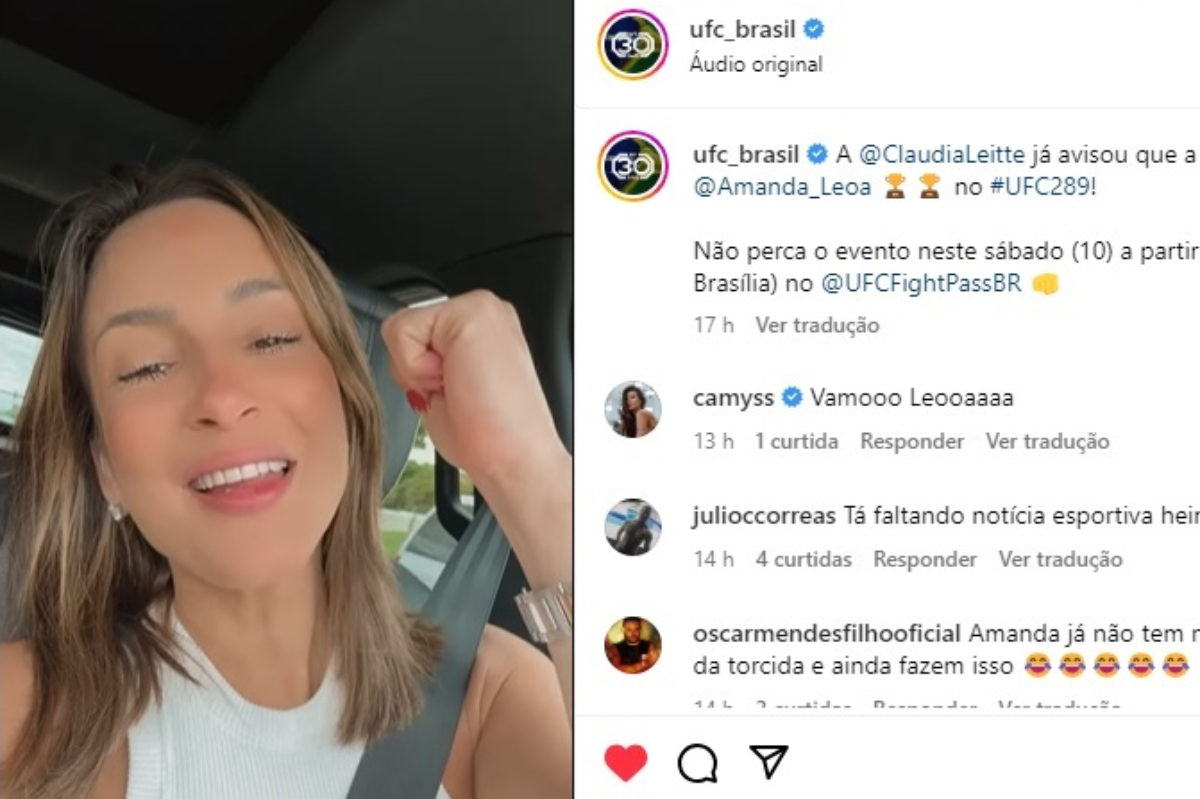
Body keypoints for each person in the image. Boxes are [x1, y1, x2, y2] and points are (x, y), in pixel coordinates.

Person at [0, 162, 572, 799]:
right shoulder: (23, 716)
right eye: (147, 367)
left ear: (349, 400)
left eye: (271, 338)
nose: (222, 397)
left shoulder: (488, 692)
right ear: (104, 466)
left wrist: (533, 475)